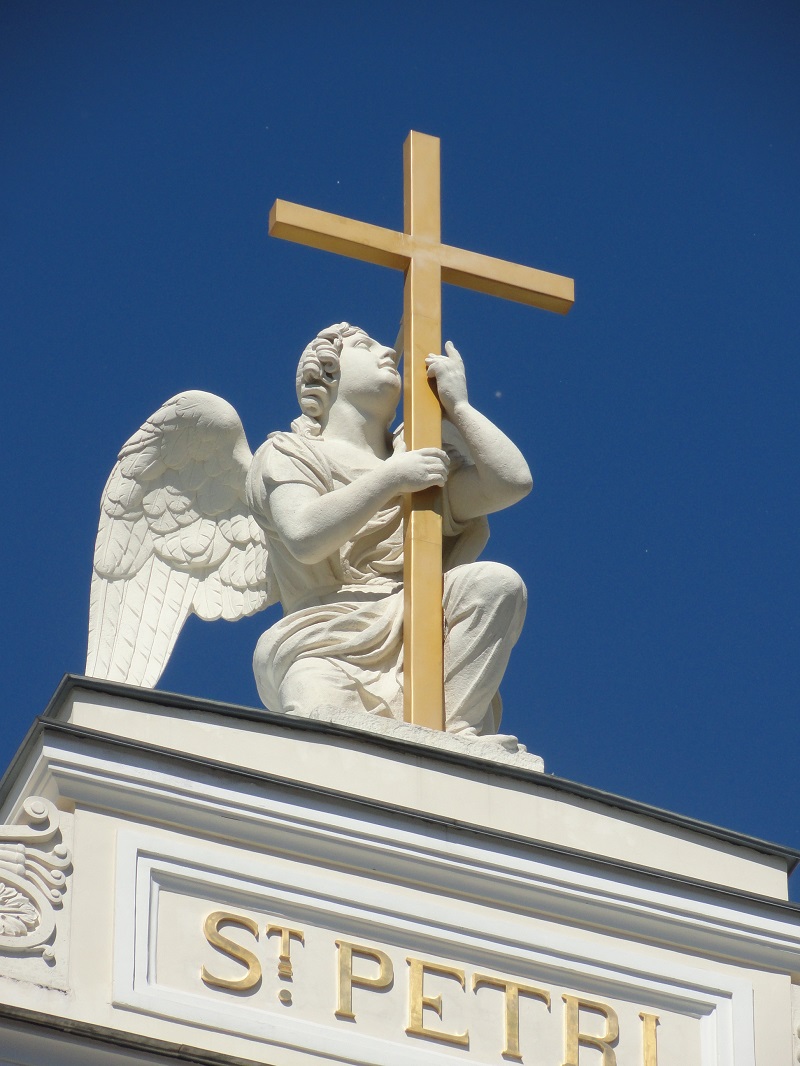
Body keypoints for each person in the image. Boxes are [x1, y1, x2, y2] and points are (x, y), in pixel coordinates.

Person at [246, 322, 532, 743]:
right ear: (325, 374)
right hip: (328, 640)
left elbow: (511, 482)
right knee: (327, 738)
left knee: (496, 583)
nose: (387, 353)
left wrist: (459, 407)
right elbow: (305, 535)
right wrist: (392, 478)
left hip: (417, 621)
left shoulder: (418, 459)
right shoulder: (290, 452)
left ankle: (457, 729)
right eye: (365, 345)